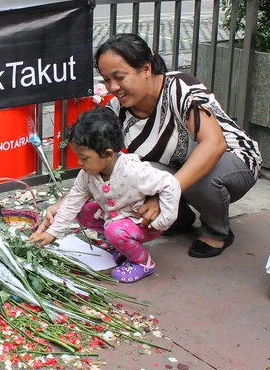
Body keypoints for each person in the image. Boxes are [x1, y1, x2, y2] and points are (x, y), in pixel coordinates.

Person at [39, 33, 262, 259]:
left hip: (233, 159)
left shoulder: (179, 88)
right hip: (176, 171)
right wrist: (63, 205)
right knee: (135, 171)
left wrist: (160, 196)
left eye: (119, 77)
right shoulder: (117, 108)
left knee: (201, 177)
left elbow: (214, 144)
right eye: (106, 80)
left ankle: (217, 232)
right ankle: (179, 218)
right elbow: (101, 163)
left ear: (145, 69)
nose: (112, 87)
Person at [29, 107, 181, 283]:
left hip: (144, 223)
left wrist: (163, 222)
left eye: (84, 158)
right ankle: (122, 244)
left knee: (113, 231)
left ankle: (143, 261)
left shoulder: (133, 171)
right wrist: (53, 233)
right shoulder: (87, 175)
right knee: (83, 211)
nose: (79, 163)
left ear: (108, 154)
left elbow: (171, 184)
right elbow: (73, 202)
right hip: (117, 219)